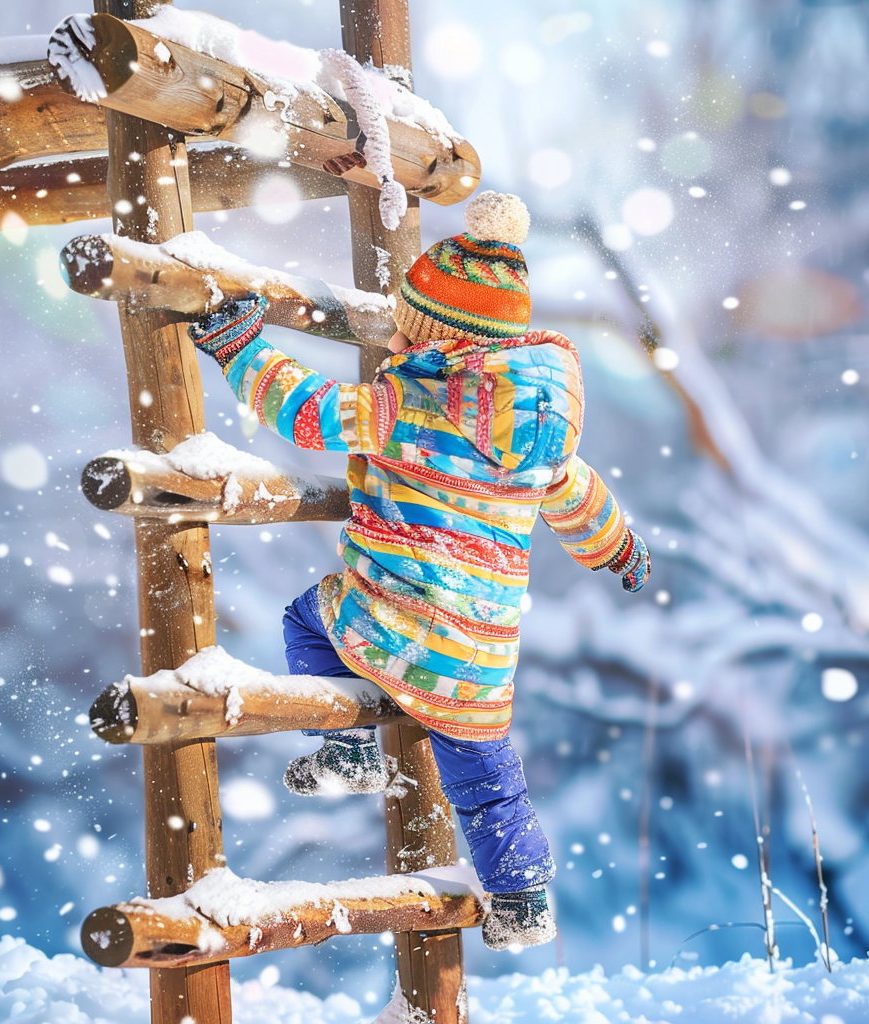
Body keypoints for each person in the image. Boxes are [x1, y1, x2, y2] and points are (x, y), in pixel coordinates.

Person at [188, 191, 650, 950]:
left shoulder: (410, 405)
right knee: (488, 780)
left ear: (443, 343)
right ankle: (524, 900)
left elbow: (310, 411)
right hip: (482, 648)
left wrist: (242, 349)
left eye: (410, 326)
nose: (396, 334)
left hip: (398, 618)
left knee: (306, 615)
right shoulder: (542, 432)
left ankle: (349, 753)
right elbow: (581, 499)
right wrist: (618, 547)